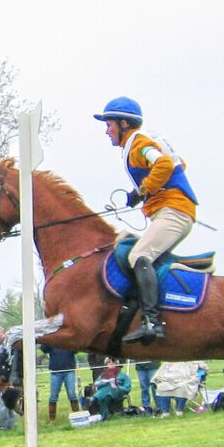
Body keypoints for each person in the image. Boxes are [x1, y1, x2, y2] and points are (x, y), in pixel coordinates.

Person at [94, 96, 198, 344]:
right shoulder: (141, 142)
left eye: (109, 125)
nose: (107, 131)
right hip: (172, 209)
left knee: (137, 256)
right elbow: (178, 162)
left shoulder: (138, 143)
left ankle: (152, 321)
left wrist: (143, 190)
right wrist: (145, 193)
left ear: (123, 124)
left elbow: (164, 164)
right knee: (132, 247)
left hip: (174, 211)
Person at [41, 345, 79, 421]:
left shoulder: (69, 340)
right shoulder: (52, 341)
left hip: (69, 370)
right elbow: (44, 348)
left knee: (72, 394)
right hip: (55, 372)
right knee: (53, 396)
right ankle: (52, 420)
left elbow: (76, 350)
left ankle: (77, 417)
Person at [0, 344, 19, 431]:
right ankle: (3, 426)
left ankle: (11, 425)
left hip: (14, 380)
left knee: (12, 404)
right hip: (3, 380)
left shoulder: (17, 352)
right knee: (2, 406)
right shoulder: (2, 351)